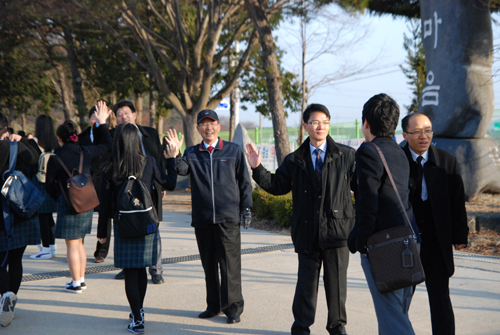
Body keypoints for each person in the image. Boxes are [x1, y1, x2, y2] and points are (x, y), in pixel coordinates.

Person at [246, 104, 355, 335]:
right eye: (315, 122)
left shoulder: (346, 155)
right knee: (306, 286)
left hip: (337, 232)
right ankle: (301, 327)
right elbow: (277, 185)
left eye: (325, 122)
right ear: (305, 126)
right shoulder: (295, 159)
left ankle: (337, 327)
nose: (320, 126)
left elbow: (361, 187)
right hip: (307, 232)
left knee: (336, 287)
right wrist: (257, 168)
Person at [348, 93, 420, 334]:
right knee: (397, 313)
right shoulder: (399, 151)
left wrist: (360, 240)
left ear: (366, 122)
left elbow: (368, 203)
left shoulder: (369, 150)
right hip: (409, 241)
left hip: (384, 247)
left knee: (392, 319)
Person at [174, 109, 253, 324]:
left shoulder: (233, 151)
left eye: (212, 123)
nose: (208, 127)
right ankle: (214, 305)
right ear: (198, 128)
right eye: (203, 124)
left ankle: (233, 308)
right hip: (203, 219)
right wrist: (173, 155)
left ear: (219, 126)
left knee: (230, 266)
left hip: (228, 218)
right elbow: (180, 172)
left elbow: (244, 182)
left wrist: (246, 208)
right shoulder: (191, 153)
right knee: (209, 265)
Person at [97, 123, 178, 334]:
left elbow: (104, 204)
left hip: (123, 225)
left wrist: (102, 234)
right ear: (136, 141)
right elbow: (169, 183)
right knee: (140, 270)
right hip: (146, 224)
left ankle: (137, 316)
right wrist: (171, 159)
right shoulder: (148, 162)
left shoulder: (110, 168)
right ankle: (138, 313)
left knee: (131, 273)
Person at [401, 112, 468, 335]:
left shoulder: (447, 161)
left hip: (436, 241)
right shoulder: (397, 161)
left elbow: (457, 202)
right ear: (405, 134)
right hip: (405, 242)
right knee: (401, 300)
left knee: (440, 300)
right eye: (417, 131)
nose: (424, 136)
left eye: (428, 130)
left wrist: (460, 236)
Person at [46, 101, 112, 293]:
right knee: (80, 243)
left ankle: (76, 283)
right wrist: (101, 124)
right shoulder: (85, 151)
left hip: (68, 204)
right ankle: (80, 279)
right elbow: (106, 145)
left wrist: (61, 197)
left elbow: (50, 185)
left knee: (72, 245)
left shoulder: (56, 158)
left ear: (60, 139)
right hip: (87, 202)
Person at [112, 100, 166, 284]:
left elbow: (159, 158)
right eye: (119, 114)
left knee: (153, 228)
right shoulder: (116, 135)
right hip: (125, 195)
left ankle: (156, 269)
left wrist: (162, 184)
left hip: (149, 192)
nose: (123, 117)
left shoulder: (149, 133)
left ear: (135, 114)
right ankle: (131, 266)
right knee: (129, 228)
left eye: (126, 113)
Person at [0, 112, 40, 327]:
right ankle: (10, 299)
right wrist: (22, 140)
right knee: (15, 260)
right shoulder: (16, 147)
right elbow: (36, 157)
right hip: (20, 212)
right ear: (6, 130)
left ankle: (4, 294)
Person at [79, 106, 112, 263]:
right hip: (85, 183)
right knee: (82, 214)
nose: (96, 118)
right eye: (94, 115)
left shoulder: (109, 136)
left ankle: (101, 251)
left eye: (99, 115)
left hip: (104, 180)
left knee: (104, 217)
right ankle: (79, 248)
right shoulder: (81, 136)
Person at [28, 115, 60, 259]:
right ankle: (52, 248)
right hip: (52, 184)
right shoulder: (55, 143)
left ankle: (45, 248)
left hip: (38, 183)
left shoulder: (32, 143)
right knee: (49, 217)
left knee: (42, 218)